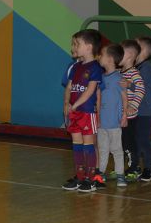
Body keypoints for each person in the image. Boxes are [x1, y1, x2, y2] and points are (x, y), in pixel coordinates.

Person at [62, 29, 102, 192]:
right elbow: (70, 86)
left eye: (77, 44)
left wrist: (76, 104)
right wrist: (66, 103)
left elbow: (90, 90)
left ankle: (91, 179)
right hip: (74, 112)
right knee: (76, 144)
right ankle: (79, 177)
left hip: (86, 112)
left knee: (88, 145)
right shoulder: (75, 66)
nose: (73, 47)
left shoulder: (95, 68)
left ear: (89, 47)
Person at [95, 44, 128, 188]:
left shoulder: (119, 78)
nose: (99, 57)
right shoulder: (100, 78)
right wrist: (97, 116)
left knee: (116, 150)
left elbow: (124, 97)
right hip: (102, 122)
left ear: (109, 59)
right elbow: (98, 98)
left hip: (114, 122)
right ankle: (100, 173)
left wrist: (124, 115)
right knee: (102, 149)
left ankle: (120, 175)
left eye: (101, 54)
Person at [119, 39, 145, 182]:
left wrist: (133, 105)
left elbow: (141, 89)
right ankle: (120, 168)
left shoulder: (134, 73)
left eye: (120, 53)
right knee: (120, 143)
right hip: (118, 115)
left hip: (129, 116)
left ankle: (134, 167)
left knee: (129, 143)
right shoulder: (118, 72)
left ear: (129, 56)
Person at [135, 36, 151, 181]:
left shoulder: (147, 67)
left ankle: (148, 168)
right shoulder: (137, 67)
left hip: (144, 111)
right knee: (135, 140)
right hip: (135, 111)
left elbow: (141, 88)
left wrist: (127, 84)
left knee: (143, 141)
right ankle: (135, 166)